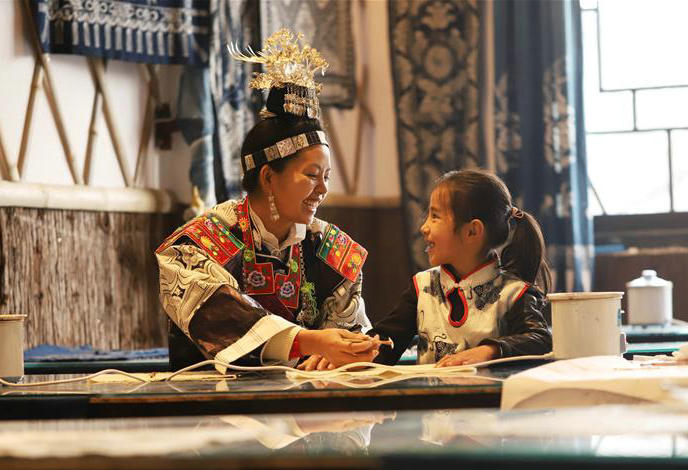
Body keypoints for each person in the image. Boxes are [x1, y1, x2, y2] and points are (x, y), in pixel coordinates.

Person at [156, 29, 378, 372]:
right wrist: (310, 342)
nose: (323, 189)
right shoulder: (197, 245)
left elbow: (349, 332)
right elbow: (217, 315)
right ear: (269, 177)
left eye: (327, 176)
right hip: (209, 400)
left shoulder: (331, 252)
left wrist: (344, 351)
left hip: (308, 401)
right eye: (311, 175)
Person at [369, 169, 552, 367]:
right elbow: (388, 340)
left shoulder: (513, 294)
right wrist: (363, 349)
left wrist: (490, 350)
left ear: (472, 231)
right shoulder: (422, 286)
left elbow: (540, 340)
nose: (424, 227)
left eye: (435, 217)